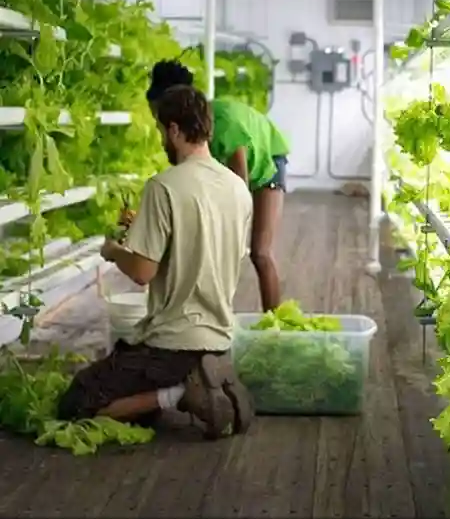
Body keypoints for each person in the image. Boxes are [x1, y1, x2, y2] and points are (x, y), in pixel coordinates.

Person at [56, 85, 255, 439]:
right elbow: (206, 250)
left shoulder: (164, 186)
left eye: (162, 131)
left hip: (173, 342)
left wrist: (113, 251)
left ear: (175, 130)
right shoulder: (238, 188)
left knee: (76, 403)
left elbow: (142, 273)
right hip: (219, 335)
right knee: (127, 396)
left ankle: (181, 394)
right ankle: (197, 380)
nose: (163, 139)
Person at [146, 60, 289, 313]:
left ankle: (276, 323)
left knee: (260, 252)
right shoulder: (191, 128)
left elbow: (238, 190)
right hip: (241, 166)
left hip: (268, 161)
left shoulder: (222, 125)